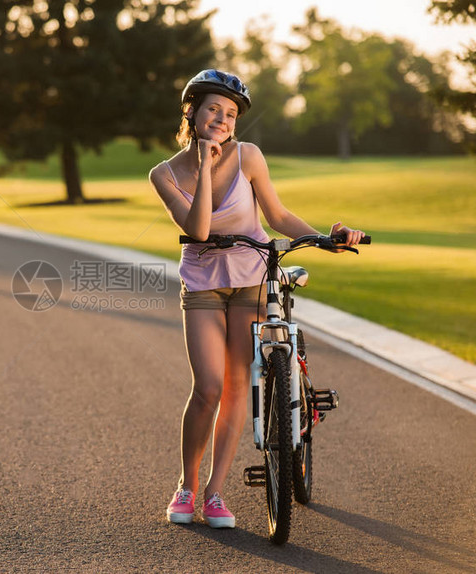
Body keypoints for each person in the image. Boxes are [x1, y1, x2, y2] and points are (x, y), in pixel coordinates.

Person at [148, 69, 365, 528]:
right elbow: (199, 230)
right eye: (213, 109)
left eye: (230, 115)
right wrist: (206, 165)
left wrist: (327, 238)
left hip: (252, 277)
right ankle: (186, 487)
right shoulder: (165, 174)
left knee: (232, 387)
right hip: (203, 283)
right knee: (207, 387)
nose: (223, 120)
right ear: (191, 111)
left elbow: (278, 214)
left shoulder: (249, 157)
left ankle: (215, 494)